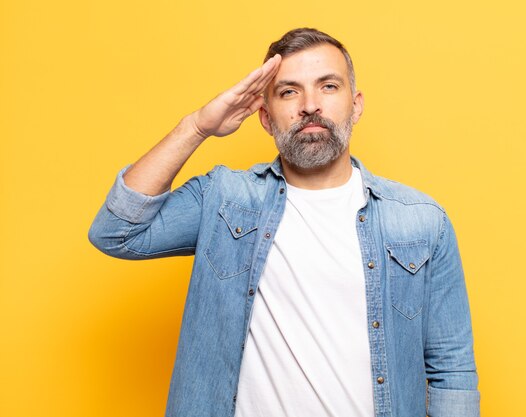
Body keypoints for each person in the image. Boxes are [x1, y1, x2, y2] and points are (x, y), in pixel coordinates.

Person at [88, 28, 480, 417]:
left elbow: (452, 371)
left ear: (355, 105)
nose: (310, 105)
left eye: (328, 86)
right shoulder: (225, 200)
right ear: (264, 116)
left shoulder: (419, 221)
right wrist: (196, 127)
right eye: (289, 91)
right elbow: (116, 232)